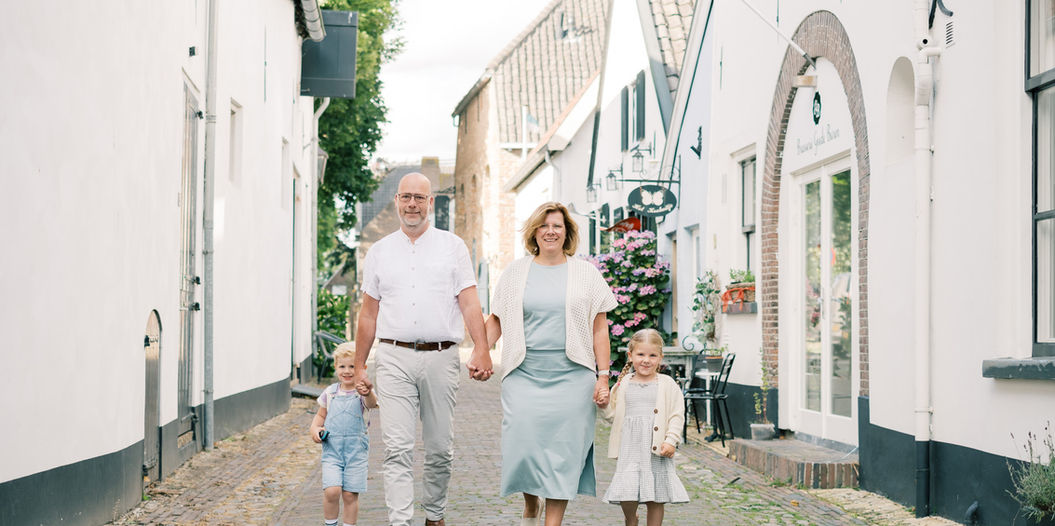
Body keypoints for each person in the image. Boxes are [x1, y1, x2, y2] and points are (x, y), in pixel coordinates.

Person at [352, 172, 492, 526]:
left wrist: (482, 349)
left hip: (441, 356)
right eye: (405, 197)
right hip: (393, 357)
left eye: (419, 197)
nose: (412, 204)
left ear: (431, 203)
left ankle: (434, 515)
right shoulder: (380, 252)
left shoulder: (453, 247)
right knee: (396, 449)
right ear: (397, 201)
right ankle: (401, 522)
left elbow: (470, 302)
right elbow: (368, 315)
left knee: (440, 450)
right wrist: (359, 366)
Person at [485, 201, 617, 526]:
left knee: (563, 454)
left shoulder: (586, 273)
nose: (550, 231)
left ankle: (551, 522)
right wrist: (481, 352)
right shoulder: (515, 272)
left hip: (573, 379)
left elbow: (600, 329)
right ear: (535, 231)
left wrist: (603, 377)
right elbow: (496, 320)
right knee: (523, 447)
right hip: (524, 375)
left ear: (567, 232)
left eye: (557, 226)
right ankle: (531, 503)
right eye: (544, 226)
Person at [599, 328, 689, 526]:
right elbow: (614, 417)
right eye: (641, 354)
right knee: (627, 492)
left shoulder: (667, 384)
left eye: (652, 355)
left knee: (655, 496)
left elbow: (676, 415)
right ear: (630, 355)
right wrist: (604, 406)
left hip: (656, 448)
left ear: (660, 358)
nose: (646, 360)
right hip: (630, 447)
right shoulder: (623, 384)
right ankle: (631, 519)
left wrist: (670, 440)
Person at [309, 343, 379, 526]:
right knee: (331, 491)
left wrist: (368, 391)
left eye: (352, 367)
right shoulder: (330, 393)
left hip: (356, 453)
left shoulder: (363, 392)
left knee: (349, 494)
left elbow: (372, 404)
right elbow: (319, 417)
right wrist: (316, 430)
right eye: (342, 366)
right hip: (332, 451)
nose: (347, 371)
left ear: (362, 369)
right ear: (336, 367)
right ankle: (330, 523)